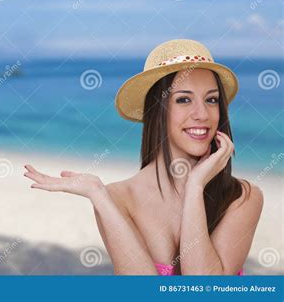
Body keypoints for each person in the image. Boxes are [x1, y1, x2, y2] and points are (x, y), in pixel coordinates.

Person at [24, 39, 263, 275]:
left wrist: (195, 187)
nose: (202, 114)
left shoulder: (242, 198)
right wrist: (98, 194)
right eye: (184, 99)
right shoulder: (115, 199)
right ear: (156, 110)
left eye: (211, 99)